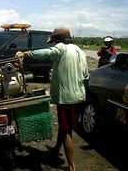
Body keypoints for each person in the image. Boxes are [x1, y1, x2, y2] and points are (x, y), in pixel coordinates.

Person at [15, 27, 89, 171]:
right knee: (65, 126)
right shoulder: (79, 50)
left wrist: (26, 53)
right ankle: (56, 150)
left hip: (66, 98)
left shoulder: (60, 48)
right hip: (80, 96)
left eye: (54, 41)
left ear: (58, 40)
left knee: (67, 130)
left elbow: (47, 52)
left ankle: (72, 167)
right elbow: (86, 75)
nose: (53, 44)